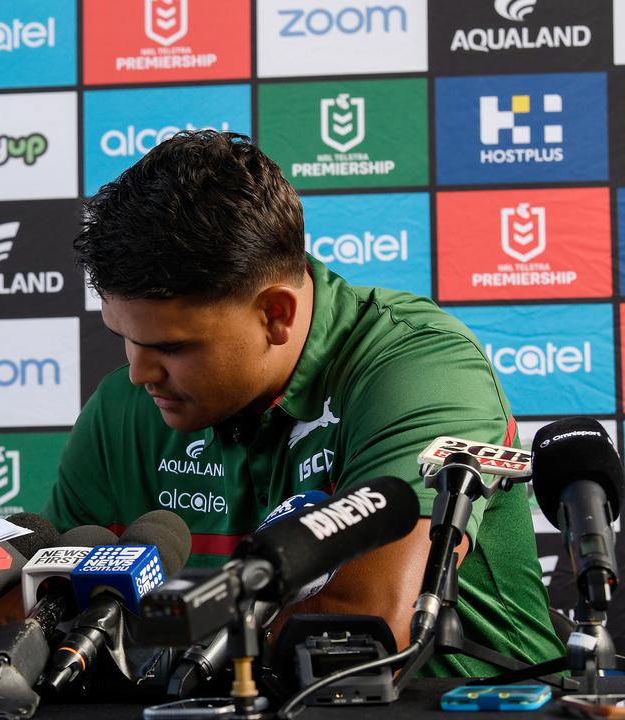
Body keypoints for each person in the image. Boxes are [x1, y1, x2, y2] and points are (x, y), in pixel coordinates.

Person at [44, 130, 563, 676]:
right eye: (124, 337)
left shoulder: (421, 367)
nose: (138, 372)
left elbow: (361, 626)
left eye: (172, 347)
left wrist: (148, 649)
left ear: (276, 315)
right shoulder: (122, 405)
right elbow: (40, 614)